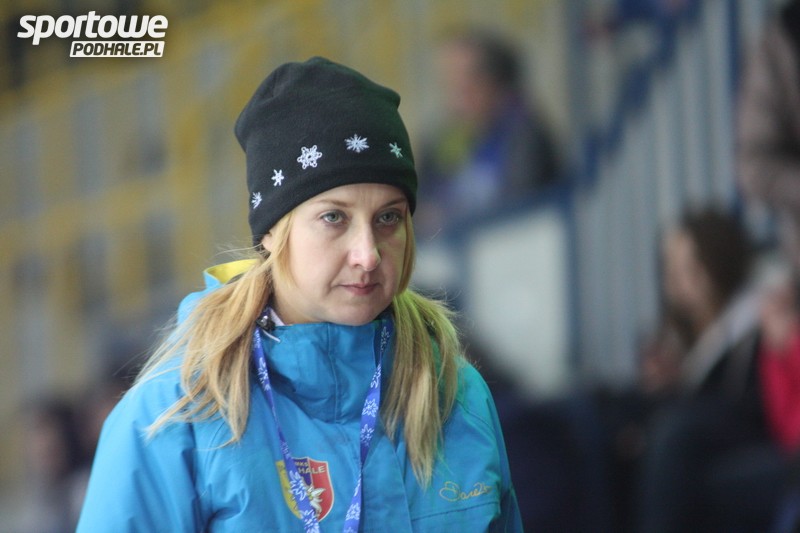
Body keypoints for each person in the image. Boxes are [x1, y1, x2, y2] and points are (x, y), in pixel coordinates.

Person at [76, 57, 522, 532]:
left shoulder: (455, 390)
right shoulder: (176, 414)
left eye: (388, 217)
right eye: (334, 217)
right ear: (272, 231)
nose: (368, 254)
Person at [415, 28, 559, 240]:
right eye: (447, 83)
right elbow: (422, 206)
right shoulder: (447, 138)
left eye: (461, 83)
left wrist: (448, 218)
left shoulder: (524, 136)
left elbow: (518, 213)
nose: (453, 97)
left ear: (492, 82)